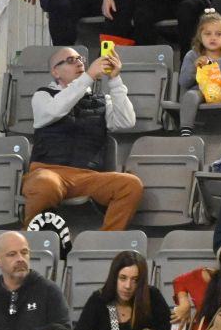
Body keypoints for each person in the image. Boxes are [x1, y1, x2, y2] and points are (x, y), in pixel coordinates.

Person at [21, 44, 142, 230]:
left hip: (88, 176)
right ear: (56, 72)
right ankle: (31, 240)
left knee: (130, 185)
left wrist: (115, 79)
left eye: (80, 60)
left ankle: (105, 243)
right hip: (48, 170)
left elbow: (126, 121)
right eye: (70, 60)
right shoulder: (43, 95)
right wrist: (88, 76)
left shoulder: (102, 100)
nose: (78, 63)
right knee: (45, 185)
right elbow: (56, 110)